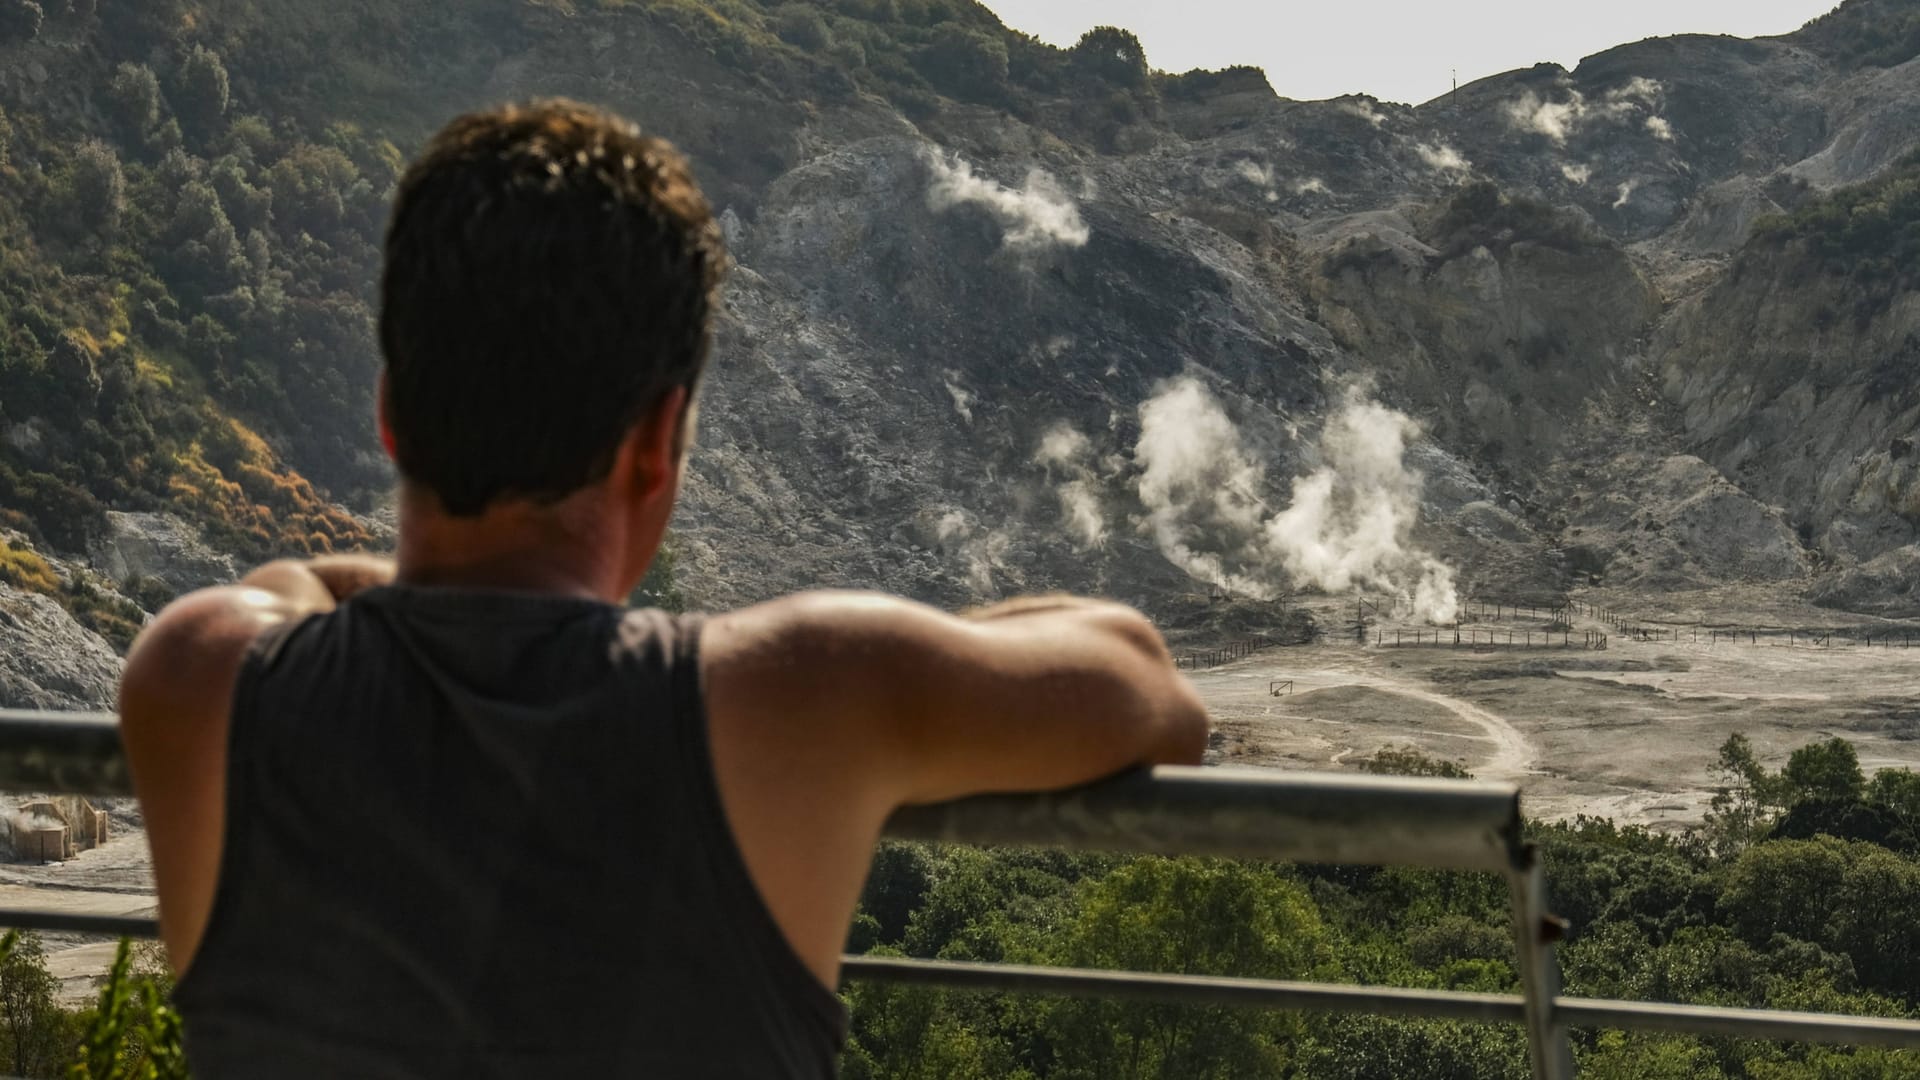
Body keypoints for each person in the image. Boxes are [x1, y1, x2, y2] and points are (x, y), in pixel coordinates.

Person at [118, 99, 1208, 1077]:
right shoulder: (806, 694)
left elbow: (298, 584)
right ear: (658, 445)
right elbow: (1145, 682)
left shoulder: (199, 674)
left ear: (391, 412)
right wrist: (741, 648)